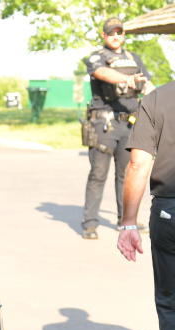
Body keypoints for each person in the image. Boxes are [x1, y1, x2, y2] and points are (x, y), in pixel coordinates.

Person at [117, 79, 175, 330]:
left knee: (170, 305)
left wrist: (128, 222)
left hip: (169, 210)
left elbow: (139, 164)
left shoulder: (156, 100)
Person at [82, 17, 153, 240]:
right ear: (104, 35)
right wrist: (127, 79)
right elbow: (103, 73)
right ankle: (90, 224)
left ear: (124, 35)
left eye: (119, 32)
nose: (115, 36)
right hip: (103, 124)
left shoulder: (134, 58)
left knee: (127, 174)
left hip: (129, 124)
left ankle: (126, 222)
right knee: (98, 175)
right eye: (111, 32)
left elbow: (148, 85)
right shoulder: (97, 57)